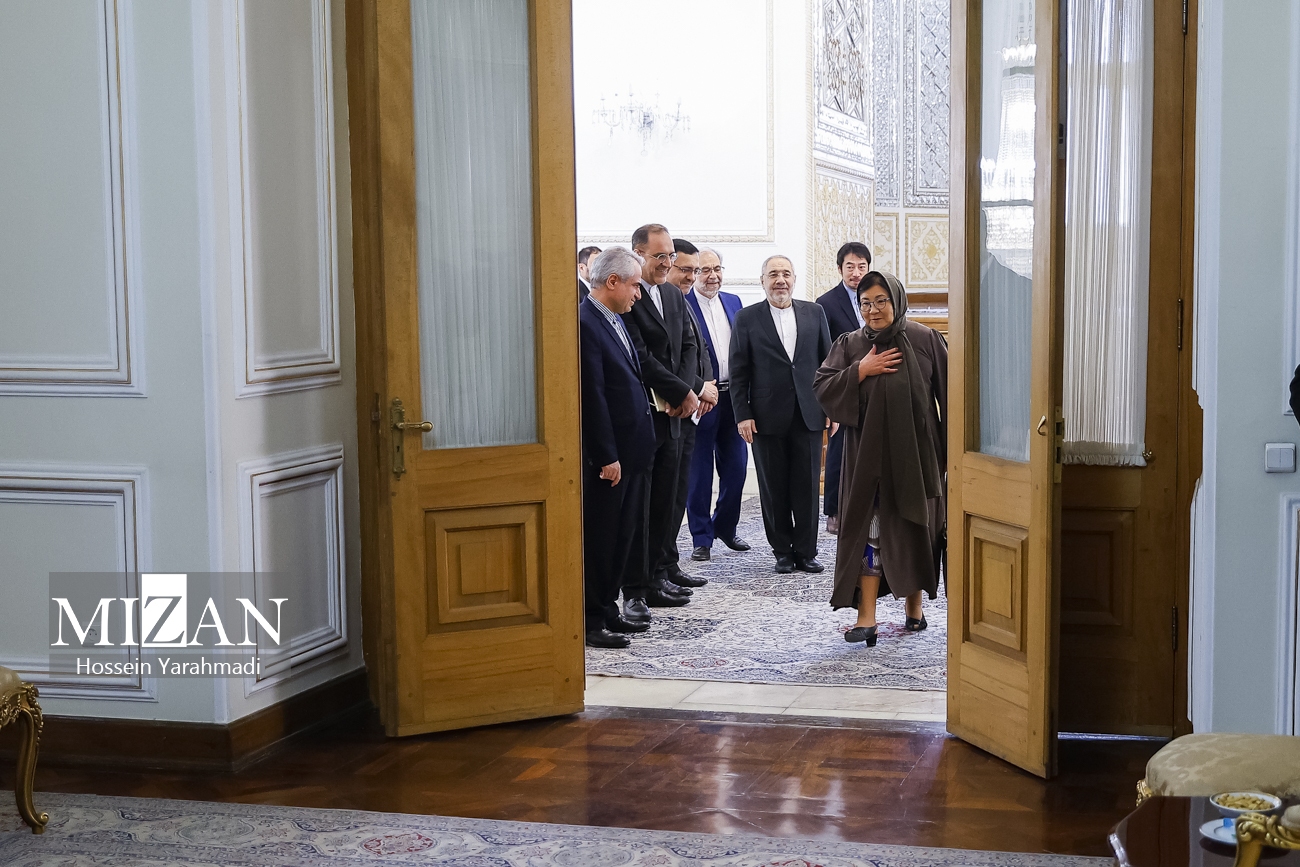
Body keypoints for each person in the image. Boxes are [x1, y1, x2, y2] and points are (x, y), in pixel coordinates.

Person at [812, 271, 947, 646]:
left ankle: (914, 610)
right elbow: (822, 387)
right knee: (869, 532)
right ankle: (866, 618)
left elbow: (952, 398)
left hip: (917, 457)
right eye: (865, 303)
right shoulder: (851, 344)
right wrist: (860, 371)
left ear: (897, 301)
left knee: (916, 530)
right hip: (866, 458)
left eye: (881, 301)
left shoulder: (925, 339)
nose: (873, 310)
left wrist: (950, 458)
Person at [729, 255, 832, 574]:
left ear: (794, 279)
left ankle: (807, 551)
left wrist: (831, 407)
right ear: (762, 281)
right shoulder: (746, 318)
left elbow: (828, 365)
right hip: (765, 416)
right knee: (773, 488)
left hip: (809, 413)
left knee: (807, 486)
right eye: (773, 274)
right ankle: (782, 552)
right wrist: (742, 414)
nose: (780, 280)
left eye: (786, 274)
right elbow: (738, 370)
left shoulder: (815, 312)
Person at [620, 224, 701, 621]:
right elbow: (640, 355)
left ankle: (658, 574)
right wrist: (679, 392)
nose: (668, 263)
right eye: (660, 256)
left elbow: (687, 344)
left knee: (668, 499)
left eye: (671, 255)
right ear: (638, 254)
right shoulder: (629, 295)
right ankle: (635, 587)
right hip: (644, 415)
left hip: (675, 413)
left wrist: (684, 392)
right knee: (642, 506)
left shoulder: (671, 292)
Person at [578, 247, 658, 648]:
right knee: (602, 539)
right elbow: (592, 396)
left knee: (623, 537)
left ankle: (609, 609)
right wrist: (606, 455)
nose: (638, 294)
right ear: (612, 282)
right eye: (634, 285)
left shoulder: (615, 319)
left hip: (633, 451)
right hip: (611, 459)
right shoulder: (586, 323)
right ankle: (592, 620)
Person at [684, 248, 749, 560]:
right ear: (695, 273)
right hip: (701, 400)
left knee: (736, 469)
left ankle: (724, 526)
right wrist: (696, 389)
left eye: (717, 269)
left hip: (733, 398)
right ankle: (701, 536)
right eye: (705, 270)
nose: (713, 276)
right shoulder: (683, 303)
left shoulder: (734, 302)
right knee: (699, 473)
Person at [659, 238, 717, 587]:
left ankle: (670, 565)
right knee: (665, 498)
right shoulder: (657, 301)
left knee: (678, 493)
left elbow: (699, 348)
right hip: (671, 410)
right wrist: (696, 387)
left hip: (692, 409)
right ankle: (659, 570)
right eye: (685, 269)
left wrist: (706, 384)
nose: (691, 277)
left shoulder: (682, 300)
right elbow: (665, 358)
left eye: (695, 271)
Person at [816, 242, 873, 535]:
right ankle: (834, 511)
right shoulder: (825, 303)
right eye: (850, 266)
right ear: (840, 269)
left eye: (861, 266)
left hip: (873, 384)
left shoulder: (876, 298)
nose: (856, 272)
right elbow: (824, 351)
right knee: (838, 449)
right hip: (842, 384)